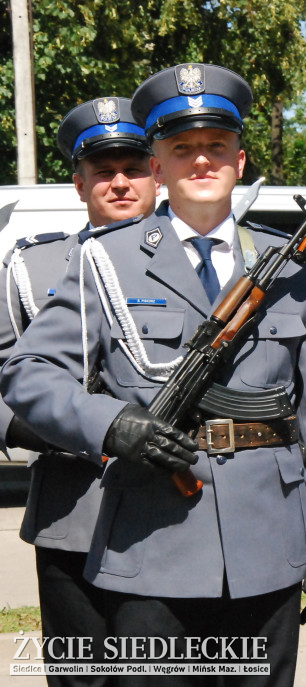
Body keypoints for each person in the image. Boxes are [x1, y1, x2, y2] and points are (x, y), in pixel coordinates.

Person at [0, 63, 306, 686]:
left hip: (267, 542)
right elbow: (29, 373)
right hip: (151, 541)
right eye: (182, 148)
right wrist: (112, 424)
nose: (202, 161)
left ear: (240, 160)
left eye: (216, 147)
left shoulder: (291, 269)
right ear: (159, 165)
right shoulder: (104, 260)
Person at [0, 96, 158, 685]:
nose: (119, 182)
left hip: (172, 508)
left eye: (133, 167)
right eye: (103, 170)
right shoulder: (33, 268)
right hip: (73, 506)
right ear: (79, 182)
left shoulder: (202, 267)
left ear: (156, 174)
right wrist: (39, 428)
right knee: (81, 677)